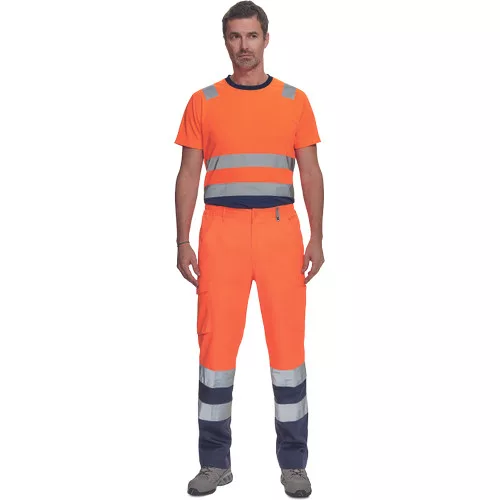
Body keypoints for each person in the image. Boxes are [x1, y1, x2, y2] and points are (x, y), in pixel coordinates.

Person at [174, 1, 325, 497]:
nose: (244, 46)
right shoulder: (203, 101)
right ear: (226, 41)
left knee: (288, 349)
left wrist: (317, 236)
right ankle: (214, 462)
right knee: (215, 349)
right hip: (221, 234)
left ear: (266, 39)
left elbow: (310, 173)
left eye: (252, 36)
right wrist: (182, 239)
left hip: (282, 233)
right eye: (235, 37)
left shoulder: (294, 100)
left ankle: (294, 465)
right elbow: (188, 174)